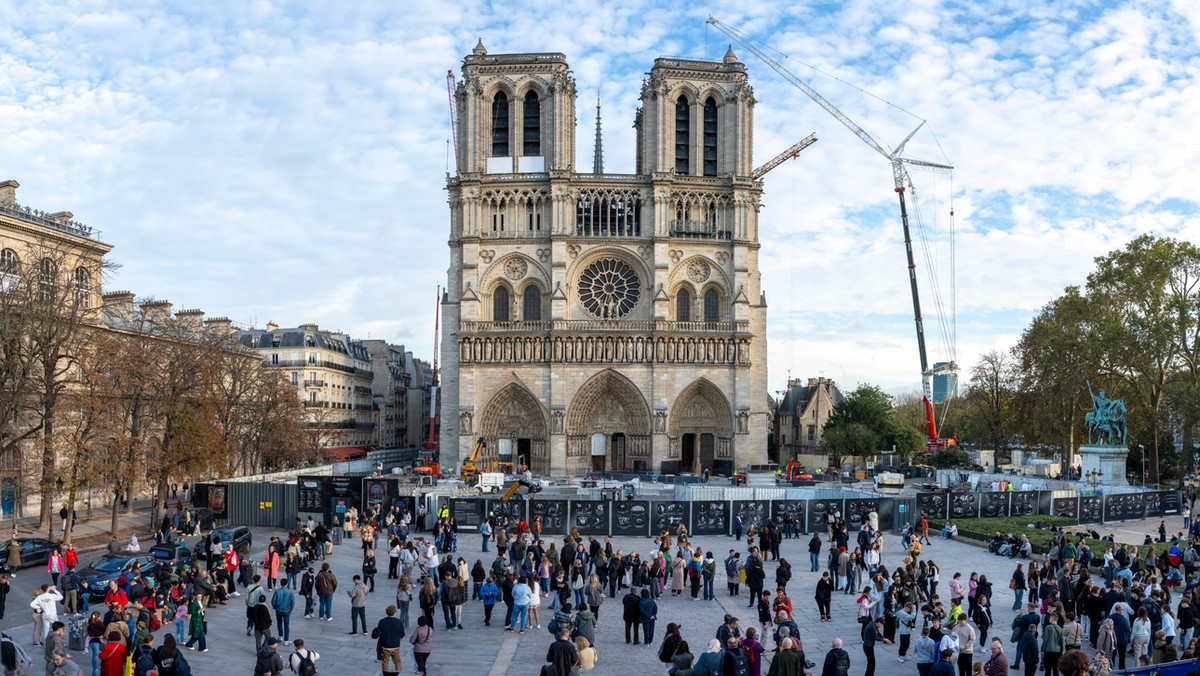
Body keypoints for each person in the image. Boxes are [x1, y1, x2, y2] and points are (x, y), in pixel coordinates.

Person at [375, 606, 404, 675]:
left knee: (385, 661)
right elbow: (402, 634)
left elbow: (378, 633)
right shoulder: (399, 622)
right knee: (397, 661)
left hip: (385, 645)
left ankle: (386, 673)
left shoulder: (382, 622)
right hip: (396, 645)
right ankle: (397, 673)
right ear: (395, 612)